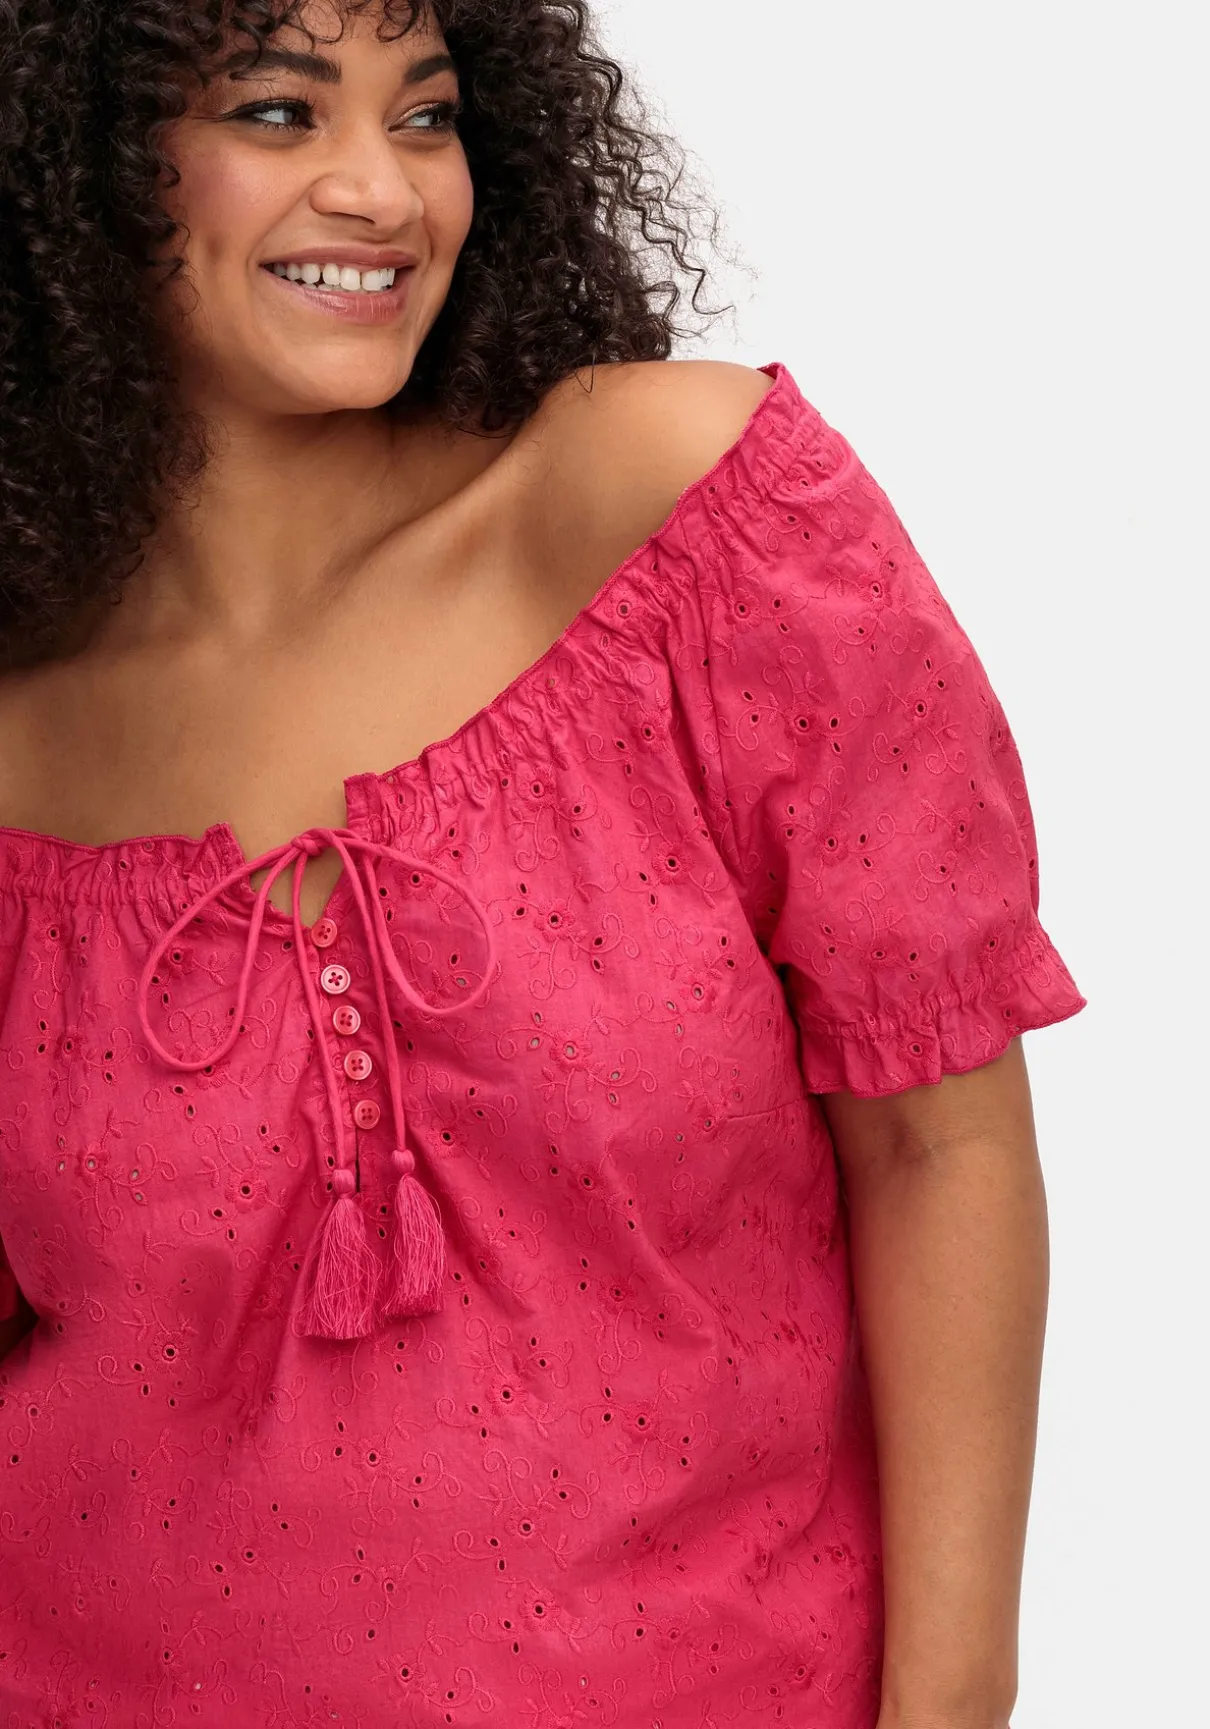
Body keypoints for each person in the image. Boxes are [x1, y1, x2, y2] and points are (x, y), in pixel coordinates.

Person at [0, 1, 1088, 1724]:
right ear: (69, 166)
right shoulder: (20, 732)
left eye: (425, 116)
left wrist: (950, 1706)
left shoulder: (669, 507)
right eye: (278, 113)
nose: (382, 192)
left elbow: (937, 1139)